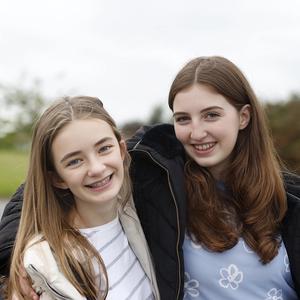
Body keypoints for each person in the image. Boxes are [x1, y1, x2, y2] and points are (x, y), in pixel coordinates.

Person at [1, 56, 300, 299]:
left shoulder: (289, 197)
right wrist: (11, 264)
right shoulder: (158, 171)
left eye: (211, 115)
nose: (196, 132)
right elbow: (42, 189)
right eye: (183, 119)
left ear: (244, 117)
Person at [0, 96, 159, 299]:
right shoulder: (45, 267)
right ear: (57, 178)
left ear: (121, 149)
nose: (96, 168)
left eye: (104, 148)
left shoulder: (144, 210)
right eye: (75, 161)